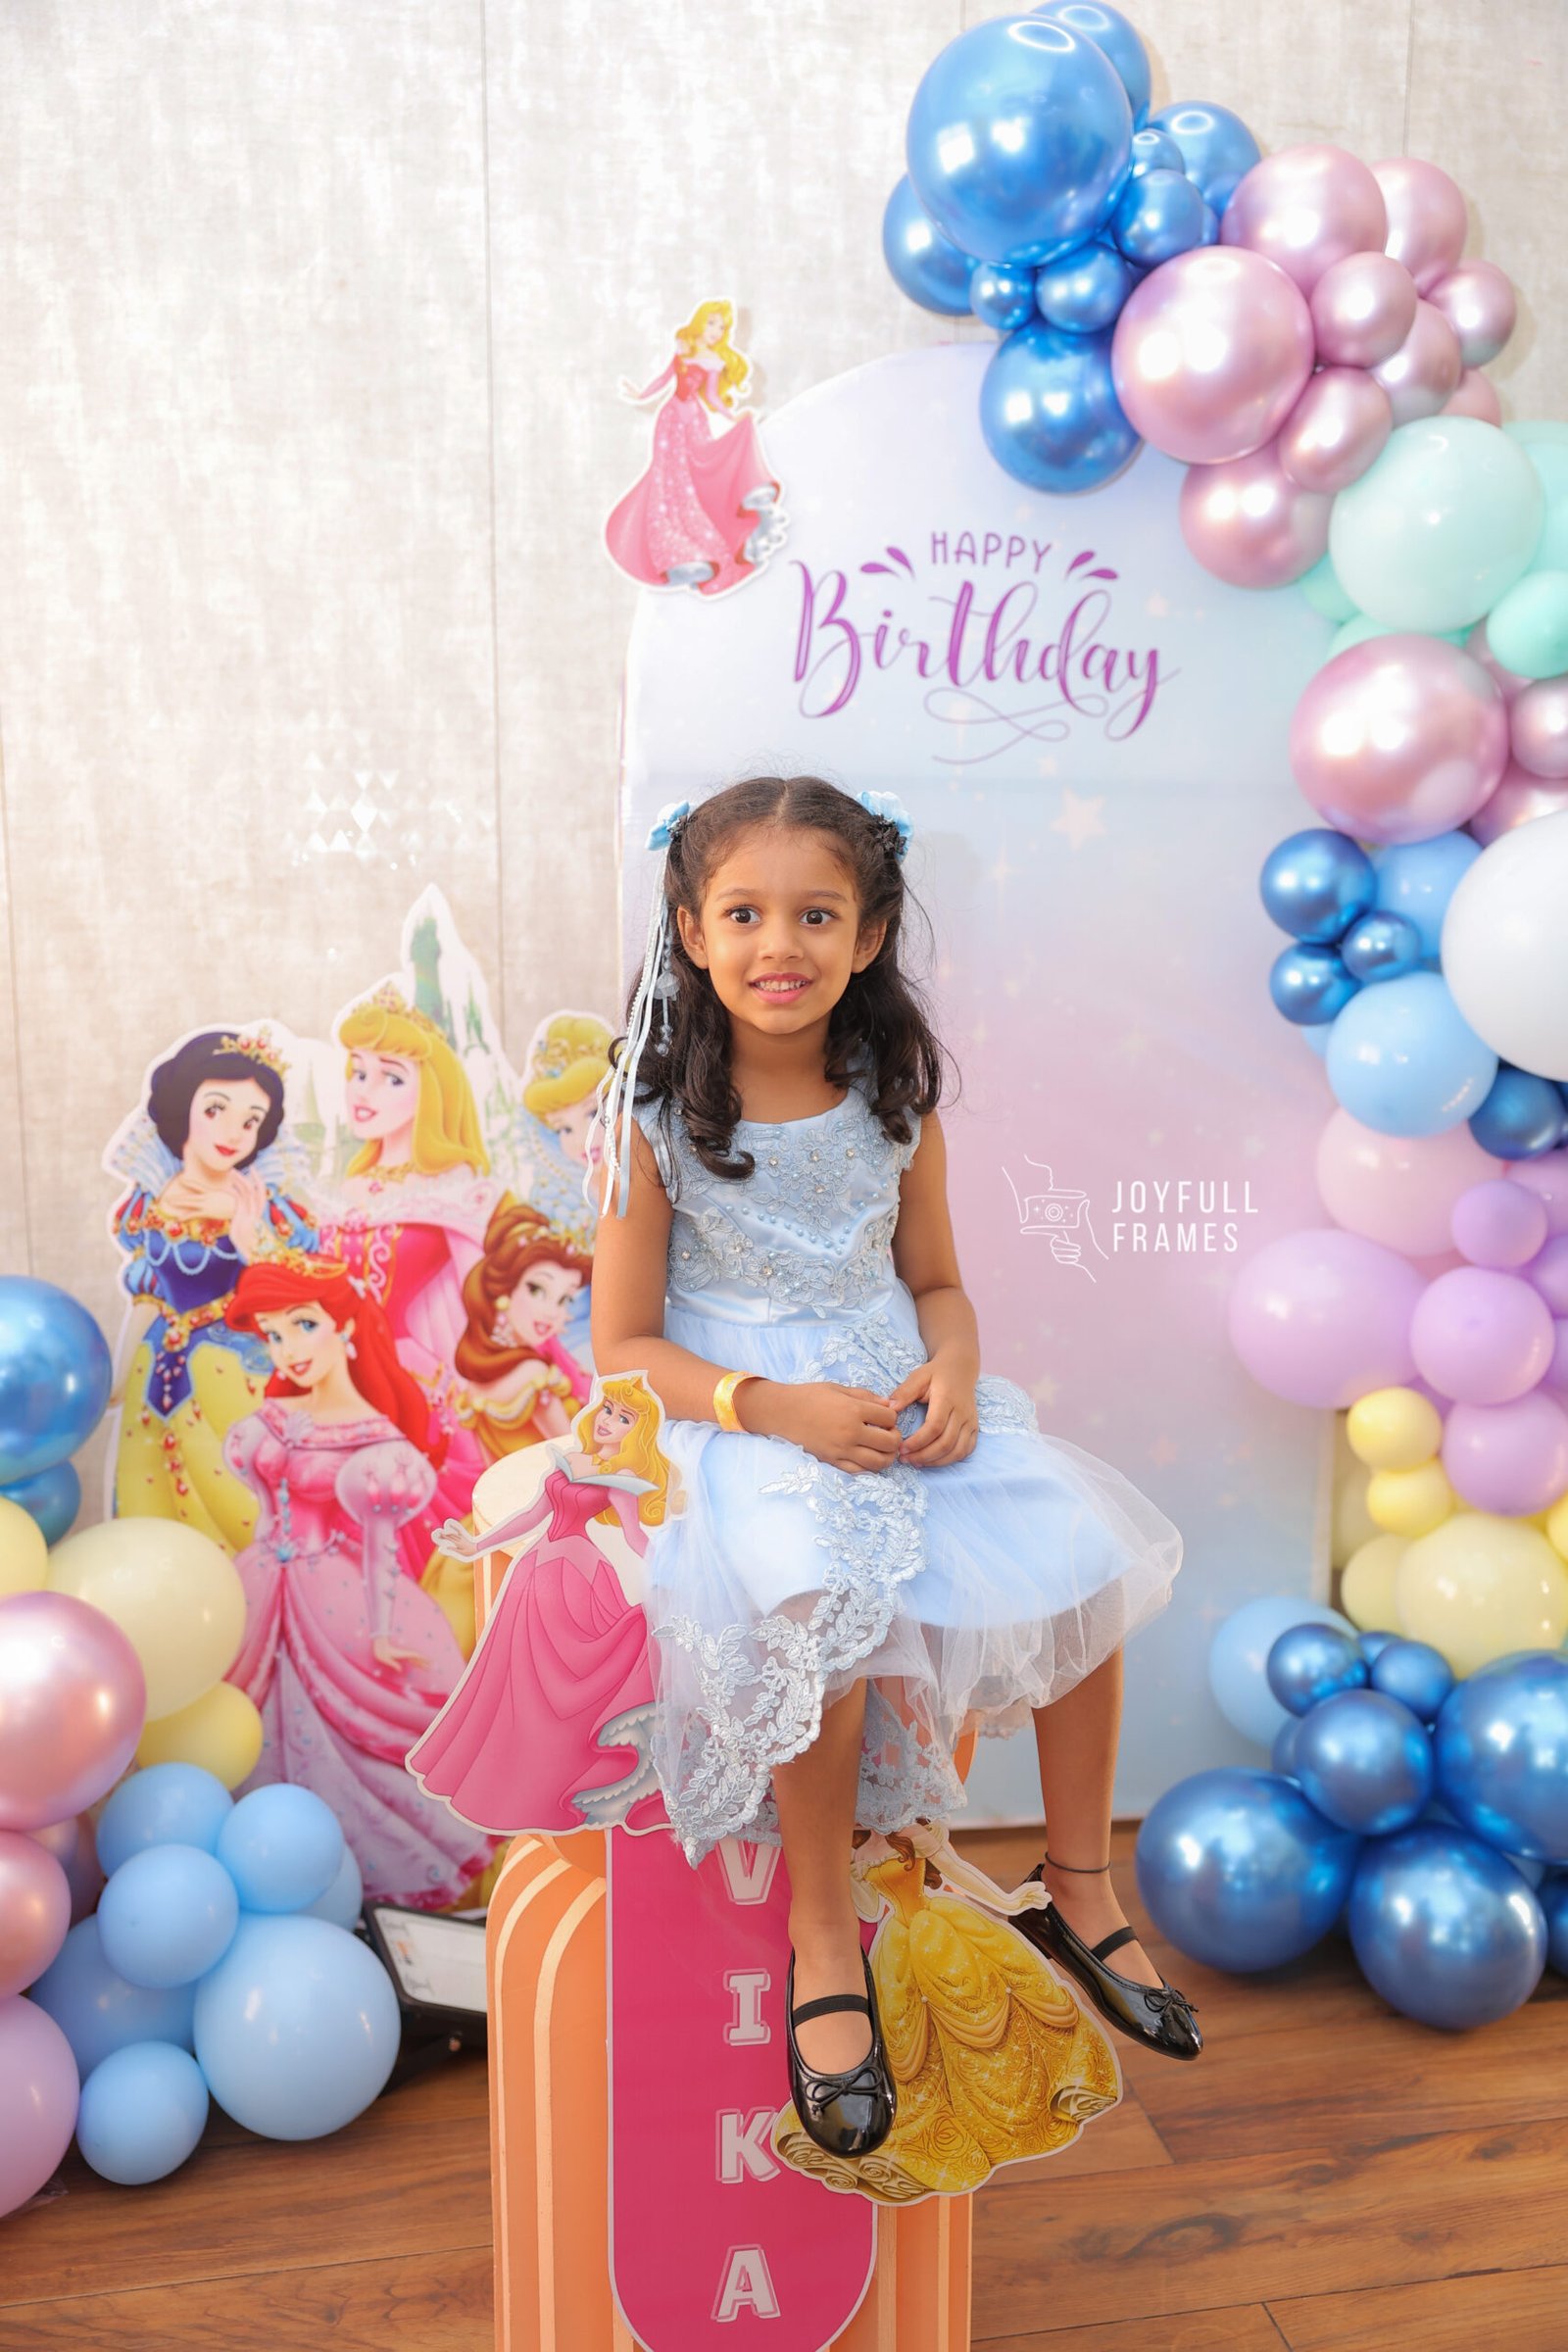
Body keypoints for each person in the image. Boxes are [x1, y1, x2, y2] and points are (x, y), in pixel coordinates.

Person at [586, 776, 1200, 2164]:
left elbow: (937, 1287)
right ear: (690, 929)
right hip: (746, 1416)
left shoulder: (894, 1102)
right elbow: (622, 1347)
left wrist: (957, 1369)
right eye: (744, 913)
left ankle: (1078, 1880)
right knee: (816, 1596)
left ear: (867, 937)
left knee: (1078, 1555)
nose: (779, 944)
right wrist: (768, 1407)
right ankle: (822, 1932)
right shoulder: (651, 1119)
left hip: (895, 1394)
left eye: (816, 914)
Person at [222, 1252, 498, 1910]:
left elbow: (382, 1552)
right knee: (245, 1725)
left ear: (344, 1326)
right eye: (274, 1334)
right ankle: (256, 1864)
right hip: (256, 1588)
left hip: (336, 1603)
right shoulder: (276, 1416)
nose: (289, 1349)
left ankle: (342, 1885)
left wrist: (381, 1634)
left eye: (304, 1325)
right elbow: (264, 1512)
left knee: (348, 1738)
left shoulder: (378, 1442)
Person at [405, 1374, 671, 1838]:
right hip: (533, 1574)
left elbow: (633, 1536)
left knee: (570, 1682)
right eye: (608, 1409)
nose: (608, 1421)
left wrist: (671, 1571)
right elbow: (533, 1514)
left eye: (624, 1418)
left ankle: (567, 1778)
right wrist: (477, 1544)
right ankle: (516, 1777)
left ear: (638, 1432)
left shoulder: (622, 1479)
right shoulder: (570, 1459)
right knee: (517, 1684)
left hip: (578, 1579)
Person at [107, 1029, 317, 1550]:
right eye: (216, 1109)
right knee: (149, 1496)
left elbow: (296, 1296)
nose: (233, 1133)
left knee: (239, 1503)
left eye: (251, 1120)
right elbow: (148, 1296)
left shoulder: (264, 1208)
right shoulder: (150, 1203)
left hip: (234, 1369)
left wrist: (248, 1234)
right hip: (155, 1366)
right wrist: (118, 1377)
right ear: (185, 1107)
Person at [605, 298, 784, 596]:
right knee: (666, 481)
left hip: (694, 422)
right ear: (701, 320)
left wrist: (732, 417)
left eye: (721, 327)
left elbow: (712, 397)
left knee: (696, 476)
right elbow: (665, 378)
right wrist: (641, 395)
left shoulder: (715, 361)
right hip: (670, 419)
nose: (715, 331)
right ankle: (673, 548)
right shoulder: (683, 347)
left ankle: (713, 536)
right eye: (712, 323)